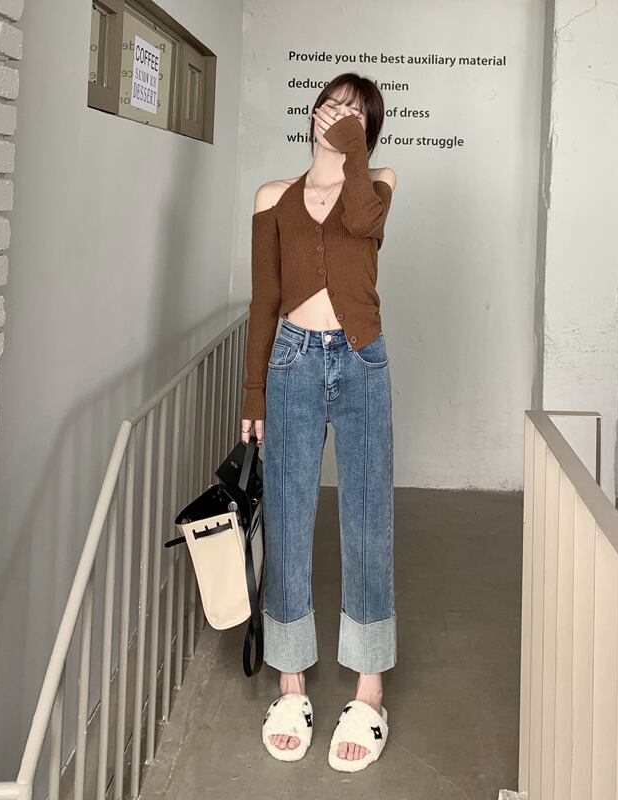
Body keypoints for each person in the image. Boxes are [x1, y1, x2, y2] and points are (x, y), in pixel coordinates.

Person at [239, 72, 397, 772]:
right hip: (293, 362)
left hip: (362, 361)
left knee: (367, 518)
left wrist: (352, 152)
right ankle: (291, 684)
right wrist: (253, 394)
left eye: (353, 112)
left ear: (367, 130)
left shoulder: (379, 183)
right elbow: (264, 300)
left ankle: (369, 691)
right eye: (330, 103)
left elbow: (360, 223)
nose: (335, 115)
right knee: (288, 515)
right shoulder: (272, 196)